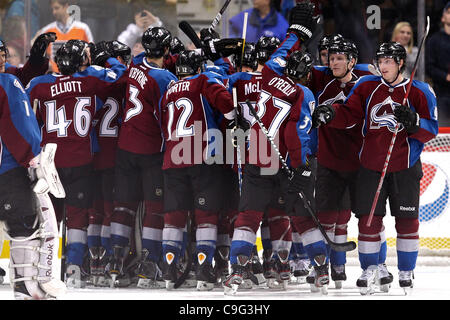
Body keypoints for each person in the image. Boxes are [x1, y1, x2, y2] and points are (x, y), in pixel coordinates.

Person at [313, 41, 438, 294]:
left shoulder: (419, 91)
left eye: (388, 61)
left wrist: (414, 121)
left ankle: (405, 271)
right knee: (369, 222)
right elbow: (349, 114)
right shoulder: (366, 85)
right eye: (380, 61)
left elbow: (431, 130)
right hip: (370, 166)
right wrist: (332, 113)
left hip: (404, 166)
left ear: (401, 63)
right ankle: (370, 269)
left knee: (407, 221)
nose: (383, 66)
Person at [223, 1, 330, 295]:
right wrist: (301, 166)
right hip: (287, 165)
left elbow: (280, 53)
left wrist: (296, 32)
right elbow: (298, 135)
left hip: (257, 158)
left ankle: (238, 271)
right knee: (303, 217)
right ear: (305, 73)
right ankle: (321, 270)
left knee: (248, 217)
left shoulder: (267, 75)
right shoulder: (304, 92)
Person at [26, 39, 127, 288]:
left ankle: (42, 269)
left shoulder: (40, 84)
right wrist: (108, 59)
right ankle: (73, 269)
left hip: (48, 160)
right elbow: (123, 76)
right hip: (81, 160)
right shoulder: (91, 80)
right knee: (78, 216)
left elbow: (25, 110)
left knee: (50, 217)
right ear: (83, 60)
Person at [307, 36, 394, 291]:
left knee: (369, 219)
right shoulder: (322, 83)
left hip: (360, 164)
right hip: (329, 163)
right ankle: (321, 265)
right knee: (324, 218)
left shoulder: (366, 85)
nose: (333, 62)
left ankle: (379, 264)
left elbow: (354, 118)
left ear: (352, 61)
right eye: (331, 58)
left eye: (339, 58)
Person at [159, 49, 236, 291]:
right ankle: (204, 270)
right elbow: (225, 101)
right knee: (206, 216)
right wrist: (233, 118)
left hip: (173, 157)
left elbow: (164, 125)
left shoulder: (169, 90)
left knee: (174, 217)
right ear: (198, 67)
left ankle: (169, 271)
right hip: (201, 156)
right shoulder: (203, 80)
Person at [109, 27, 178, 289]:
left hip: (125, 147)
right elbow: (166, 118)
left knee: (124, 206)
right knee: (154, 207)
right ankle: (148, 263)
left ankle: (115, 260)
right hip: (151, 150)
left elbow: (149, 66)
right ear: (168, 50)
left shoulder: (135, 66)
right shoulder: (166, 79)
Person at [0, 71, 66, 299]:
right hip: (7, 171)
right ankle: (25, 287)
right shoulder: (6, 82)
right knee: (24, 227)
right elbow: (19, 122)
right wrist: (33, 157)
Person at [35, 0, 94, 72]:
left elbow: (91, 54)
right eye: (52, 9)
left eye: (57, 8)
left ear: (66, 6)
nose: (54, 12)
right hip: (56, 78)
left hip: (77, 77)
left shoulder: (83, 28)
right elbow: (36, 54)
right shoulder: (47, 31)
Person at [426, 2, 450, 127]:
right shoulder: (434, 40)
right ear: (443, 18)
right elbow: (429, 67)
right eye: (449, 12)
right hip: (442, 94)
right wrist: (445, 76)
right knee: (443, 129)